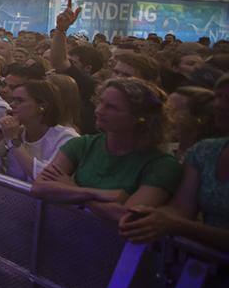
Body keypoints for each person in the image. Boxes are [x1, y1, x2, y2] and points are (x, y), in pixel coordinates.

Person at [31, 78, 181, 224]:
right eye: (100, 102)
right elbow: (40, 187)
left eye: (111, 107)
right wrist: (94, 193)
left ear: (140, 118)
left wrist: (72, 188)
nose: (98, 110)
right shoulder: (82, 144)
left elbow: (126, 216)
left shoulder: (161, 164)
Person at [119, 74, 229, 251]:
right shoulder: (205, 151)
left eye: (228, 99)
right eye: (219, 97)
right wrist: (144, 215)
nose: (219, 105)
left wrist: (174, 224)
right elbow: (181, 209)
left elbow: (177, 221)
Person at [0, 80, 78, 182]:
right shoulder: (16, 131)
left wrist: (13, 141)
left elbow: (43, 177)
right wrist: (0, 131)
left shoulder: (67, 138)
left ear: (42, 106)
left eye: (20, 101)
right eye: (13, 100)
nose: (12, 105)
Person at [49, 0, 101, 133]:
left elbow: (60, 62)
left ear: (88, 68)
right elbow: (59, 62)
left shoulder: (87, 84)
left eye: (74, 63)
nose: (68, 66)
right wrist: (61, 30)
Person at [166, 86, 217, 159]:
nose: (166, 117)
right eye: (166, 110)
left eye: (173, 110)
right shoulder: (164, 151)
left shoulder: (210, 157)